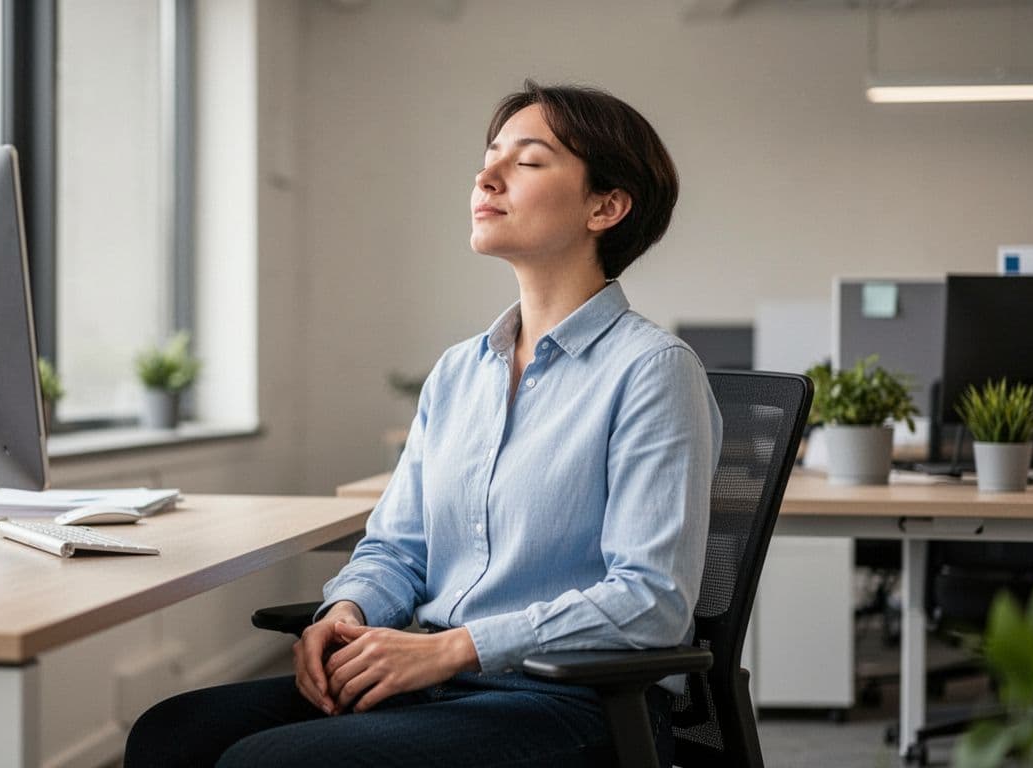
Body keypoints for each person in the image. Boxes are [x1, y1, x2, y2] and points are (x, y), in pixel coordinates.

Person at [124, 80, 722, 768]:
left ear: (606, 206)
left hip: (569, 701)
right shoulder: (460, 371)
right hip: (434, 681)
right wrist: (346, 610)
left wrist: (451, 649)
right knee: (171, 734)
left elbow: (651, 602)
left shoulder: (652, 370)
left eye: (526, 162)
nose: (486, 176)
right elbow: (397, 549)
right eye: (489, 156)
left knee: (268, 762)